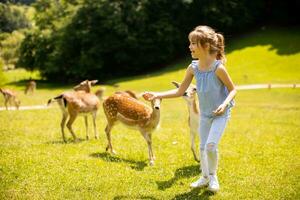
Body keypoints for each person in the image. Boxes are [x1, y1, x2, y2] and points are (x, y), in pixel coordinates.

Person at [143, 25, 237, 192]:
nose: (189, 46)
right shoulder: (193, 67)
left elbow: (233, 89)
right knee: (202, 147)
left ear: (206, 46)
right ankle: (204, 176)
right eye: (190, 43)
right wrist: (157, 94)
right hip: (205, 115)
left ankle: (213, 177)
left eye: (193, 43)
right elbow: (180, 91)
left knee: (210, 146)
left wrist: (224, 104)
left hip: (220, 114)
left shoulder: (218, 68)